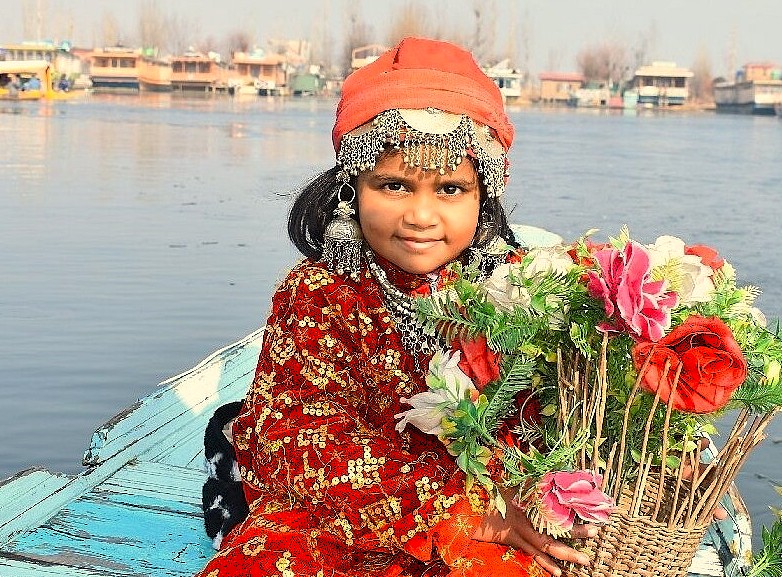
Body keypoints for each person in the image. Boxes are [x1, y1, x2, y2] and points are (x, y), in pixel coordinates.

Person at [195, 37, 595, 577]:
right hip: (347, 515)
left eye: (450, 189)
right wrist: (455, 510)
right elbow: (295, 441)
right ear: (351, 187)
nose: (421, 216)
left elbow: (563, 407)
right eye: (394, 185)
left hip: (498, 508)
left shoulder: (522, 291)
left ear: (485, 197)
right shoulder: (319, 295)